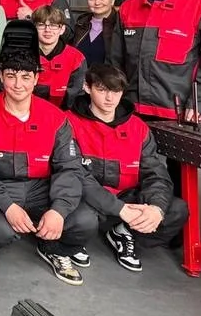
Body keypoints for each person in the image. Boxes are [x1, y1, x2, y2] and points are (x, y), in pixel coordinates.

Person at [0, 47, 96, 286]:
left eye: (26, 77)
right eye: (11, 76)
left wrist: (58, 210)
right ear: (0, 76)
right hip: (0, 187)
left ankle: (53, 248)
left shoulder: (55, 117)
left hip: (42, 189)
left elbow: (69, 168)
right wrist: (7, 206)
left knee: (86, 220)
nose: (18, 84)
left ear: (37, 78)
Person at [66, 64, 190, 272]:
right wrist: (119, 209)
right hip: (87, 202)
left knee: (176, 210)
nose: (109, 98)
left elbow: (156, 174)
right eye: (102, 90)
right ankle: (75, 240)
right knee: (78, 217)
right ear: (87, 88)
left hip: (126, 202)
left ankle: (124, 233)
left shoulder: (138, 128)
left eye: (116, 91)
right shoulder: (69, 123)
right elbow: (75, 176)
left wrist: (155, 208)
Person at [32, 6, 87, 108]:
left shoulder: (76, 58)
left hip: (64, 112)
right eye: (41, 25)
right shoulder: (23, 54)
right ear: (33, 29)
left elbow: (76, 94)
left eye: (53, 25)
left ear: (62, 29)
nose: (47, 30)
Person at [72, 0, 118, 67]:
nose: (97, 2)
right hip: (81, 74)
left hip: (109, 74)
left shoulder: (119, 24)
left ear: (112, 0)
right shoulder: (80, 24)